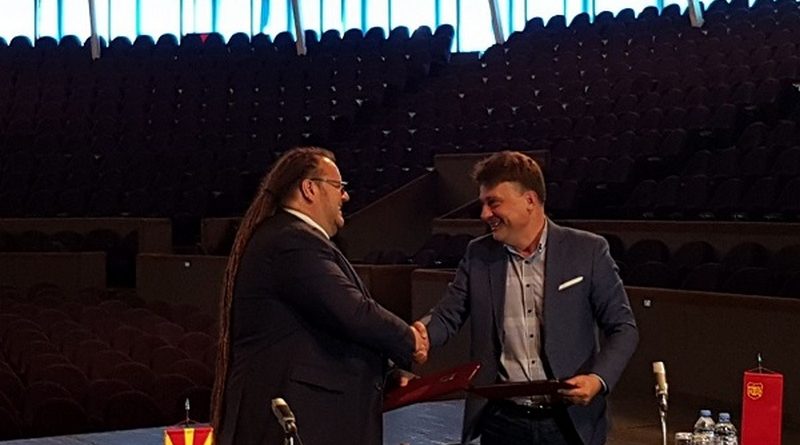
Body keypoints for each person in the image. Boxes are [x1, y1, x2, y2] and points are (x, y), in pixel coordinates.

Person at [416, 151, 638, 445]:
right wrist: (421, 335)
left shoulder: (588, 251)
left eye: (493, 203)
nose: (484, 214)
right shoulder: (478, 255)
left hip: (570, 422)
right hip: (501, 421)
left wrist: (598, 379)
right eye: (483, 204)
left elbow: (623, 327)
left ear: (530, 201)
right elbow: (448, 315)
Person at [211, 146, 428, 445]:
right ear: (310, 189)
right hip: (295, 422)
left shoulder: (291, 238)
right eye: (339, 186)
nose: (345, 196)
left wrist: (386, 373)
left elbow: (322, 334)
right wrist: (409, 339)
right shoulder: (292, 241)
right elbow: (352, 312)